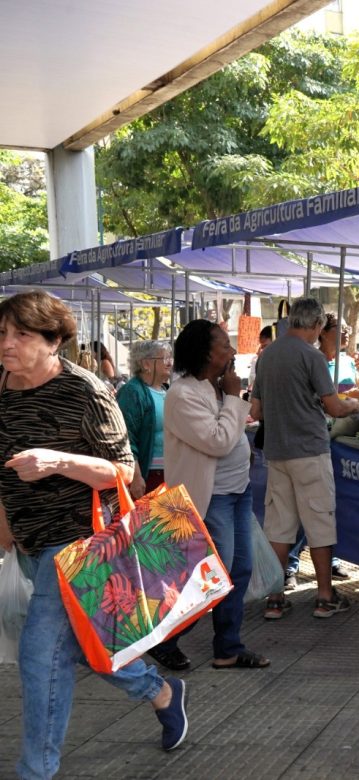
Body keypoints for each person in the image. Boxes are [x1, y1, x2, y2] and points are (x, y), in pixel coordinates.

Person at [0, 292, 188, 777]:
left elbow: (125, 472)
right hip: (29, 540)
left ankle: (34, 771)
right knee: (87, 646)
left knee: (40, 654)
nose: (7, 343)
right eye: (3, 333)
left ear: (54, 341)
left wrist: (59, 461)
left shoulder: (84, 390)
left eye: (21, 334)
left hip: (81, 541)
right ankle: (160, 691)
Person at [162, 319, 269, 670]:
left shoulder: (216, 388)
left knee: (238, 570)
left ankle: (228, 647)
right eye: (226, 345)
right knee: (210, 577)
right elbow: (218, 441)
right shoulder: (183, 394)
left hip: (236, 492)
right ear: (208, 353)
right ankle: (165, 639)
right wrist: (236, 398)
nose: (233, 350)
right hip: (212, 496)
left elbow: (231, 430)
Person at [250, 297, 359, 620]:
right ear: (315, 325)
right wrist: (355, 406)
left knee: (279, 526)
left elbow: (254, 411)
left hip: (277, 451)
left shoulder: (267, 356)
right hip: (310, 451)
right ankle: (325, 597)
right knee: (320, 522)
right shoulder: (311, 357)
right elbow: (335, 408)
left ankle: (275, 597)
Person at [116, 340, 172, 500]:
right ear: (146, 363)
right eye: (164, 358)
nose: (170, 362)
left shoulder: (165, 390)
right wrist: (136, 476)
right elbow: (125, 438)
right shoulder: (132, 392)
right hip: (149, 476)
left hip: (168, 475)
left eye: (170, 358)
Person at [318, 312, 359, 390]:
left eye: (347, 328)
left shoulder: (349, 362)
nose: (346, 332)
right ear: (323, 333)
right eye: (341, 328)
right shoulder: (312, 362)